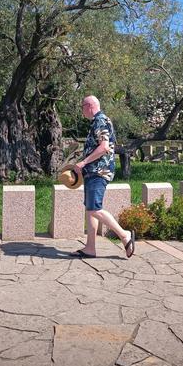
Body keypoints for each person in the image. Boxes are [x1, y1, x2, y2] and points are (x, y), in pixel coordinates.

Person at [73, 95, 135, 259]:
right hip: (94, 171)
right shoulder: (98, 121)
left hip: (98, 171)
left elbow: (104, 147)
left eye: (82, 107)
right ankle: (90, 247)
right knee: (90, 209)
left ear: (89, 106)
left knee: (94, 208)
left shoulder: (100, 120)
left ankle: (124, 235)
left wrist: (83, 162)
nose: (82, 110)